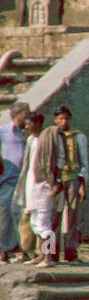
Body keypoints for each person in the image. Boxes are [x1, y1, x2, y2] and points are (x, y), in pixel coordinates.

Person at [15, 111, 63, 269]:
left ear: (36, 123)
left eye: (28, 123)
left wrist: (58, 181)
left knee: (44, 222)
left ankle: (48, 258)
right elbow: (28, 163)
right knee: (35, 221)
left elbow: (61, 160)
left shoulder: (51, 136)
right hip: (32, 184)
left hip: (45, 184)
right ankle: (40, 255)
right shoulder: (30, 139)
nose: (26, 126)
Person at [49, 106, 86, 262]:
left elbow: (84, 162)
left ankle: (71, 251)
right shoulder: (50, 136)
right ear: (55, 120)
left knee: (72, 216)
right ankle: (51, 252)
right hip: (55, 181)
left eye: (66, 118)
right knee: (51, 217)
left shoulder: (78, 137)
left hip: (72, 179)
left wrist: (83, 183)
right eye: (60, 119)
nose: (63, 122)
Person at [0, 102, 30, 262]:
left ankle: (21, 249)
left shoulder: (26, 133)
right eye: (26, 114)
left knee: (21, 216)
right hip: (7, 180)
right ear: (18, 115)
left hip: (24, 181)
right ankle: (3, 250)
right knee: (4, 216)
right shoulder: (3, 132)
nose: (28, 117)